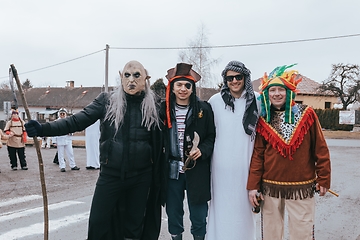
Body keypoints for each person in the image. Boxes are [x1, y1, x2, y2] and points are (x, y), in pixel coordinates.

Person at [25, 60, 163, 240]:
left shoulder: (156, 105)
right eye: (127, 75)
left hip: (141, 177)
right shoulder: (106, 101)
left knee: (134, 226)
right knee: (98, 223)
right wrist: (44, 129)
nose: (131, 80)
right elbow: (75, 121)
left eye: (137, 75)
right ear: (121, 77)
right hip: (110, 175)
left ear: (146, 78)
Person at [246, 64, 331, 240]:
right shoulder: (263, 119)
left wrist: (324, 178)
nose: (276, 94)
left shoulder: (307, 114)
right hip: (270, 186)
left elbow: (320, 148)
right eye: (272, 90)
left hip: (301, 186)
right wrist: (253, 185)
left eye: (281, 89)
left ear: (289, 91)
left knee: (302, 231)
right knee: (271, 233)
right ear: (266, 94)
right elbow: (258, 155)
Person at [160, 63, 215, 240]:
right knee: (174, 214)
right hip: (172, 170)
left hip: (196, 169)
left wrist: (203, 150)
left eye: (187, 85)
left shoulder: (204, 109)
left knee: (199, 215)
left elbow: (211, 137)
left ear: (192, 88)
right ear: (173, 88)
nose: (183, 89)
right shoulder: (163, 110)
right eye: (179, 85)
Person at [206, 61, 260, 240]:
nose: (235, 81)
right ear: (225, 79)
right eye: (230, 78)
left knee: (244, 216)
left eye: (239, 77)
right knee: (221, 214)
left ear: (245, 78)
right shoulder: (215, 101)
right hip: (220, 171)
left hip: (246, 168)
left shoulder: (257, 101)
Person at [51, 108, 80, 172]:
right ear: (59, 114)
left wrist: (71, 133)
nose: (62, 115)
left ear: (65, 114)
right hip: (60, 139)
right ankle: (62, 166)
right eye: (61, 114)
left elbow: (72, 129)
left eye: (63, 114)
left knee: (70, 153)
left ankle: (73, 165)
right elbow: (54, 132)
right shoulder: (56, 122)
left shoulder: (68, 121)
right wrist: (54, 142)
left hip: (67, 139)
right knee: (60, 154)